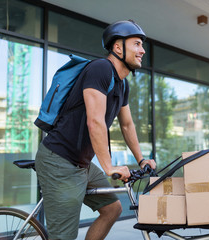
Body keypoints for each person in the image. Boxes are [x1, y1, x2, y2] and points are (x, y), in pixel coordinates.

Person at [35, 20, 156, 240]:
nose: (142, 50)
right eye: (137, 44)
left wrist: (141, 160)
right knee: (63, 236)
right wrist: (108, 167)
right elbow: (95, 121)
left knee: (112, 209)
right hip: (59, 160)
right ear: (118, 47)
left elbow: (127, 124)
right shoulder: (100, 69)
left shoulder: (122, 84)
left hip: (81, 164)